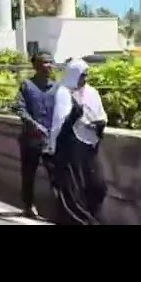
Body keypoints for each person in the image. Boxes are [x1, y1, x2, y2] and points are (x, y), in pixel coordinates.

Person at [46, 59, 107, 225]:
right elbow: (59, 123)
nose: (84, 79)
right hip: (70, 146)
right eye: (82, 75)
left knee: (98, 186)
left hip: (90, 145)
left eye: (86, 75)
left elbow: (100, 114)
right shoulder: (64, 92)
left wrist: (98, 124)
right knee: (73, 191)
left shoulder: (92, 92)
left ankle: (89, 217)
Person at [14, 52, 55, 219]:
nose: (49, 66)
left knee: (56, 175)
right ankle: (28, 205)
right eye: (44, 63)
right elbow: (19, 108)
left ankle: (60, 208)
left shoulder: (57, 88)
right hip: (31, 138)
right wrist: (34, 125)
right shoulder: (27, 86)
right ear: (36, 66)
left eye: (50, 62)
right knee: (29, 174)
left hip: (51, 140)